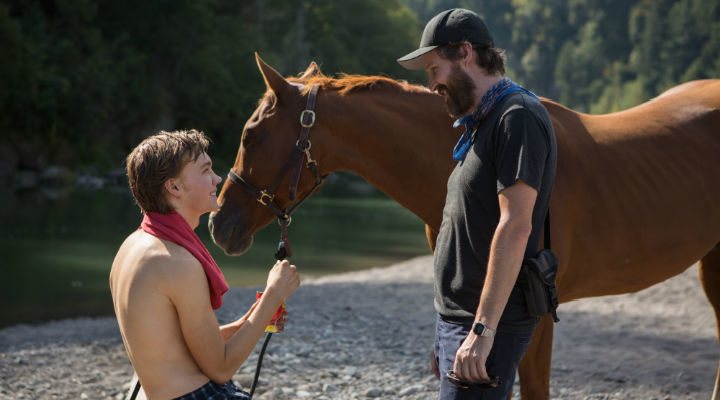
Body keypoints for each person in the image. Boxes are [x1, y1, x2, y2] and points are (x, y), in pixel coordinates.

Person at [398, 8, 558, 399]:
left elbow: (515, 225)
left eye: (434, 68)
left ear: (465, 53)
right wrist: (444, 330)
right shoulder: (483, 121)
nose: (432, 83)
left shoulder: (516, 117)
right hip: (461, 320)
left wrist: (482, 332)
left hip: (488, 324)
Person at [110, 129, 300, 399]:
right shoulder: (176, 262)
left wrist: (254, 316)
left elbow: (176, 346)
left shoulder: (132, 247)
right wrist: (274, 294)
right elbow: (221, 367)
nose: (217, 179)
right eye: (205, 170)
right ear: (174, 187)